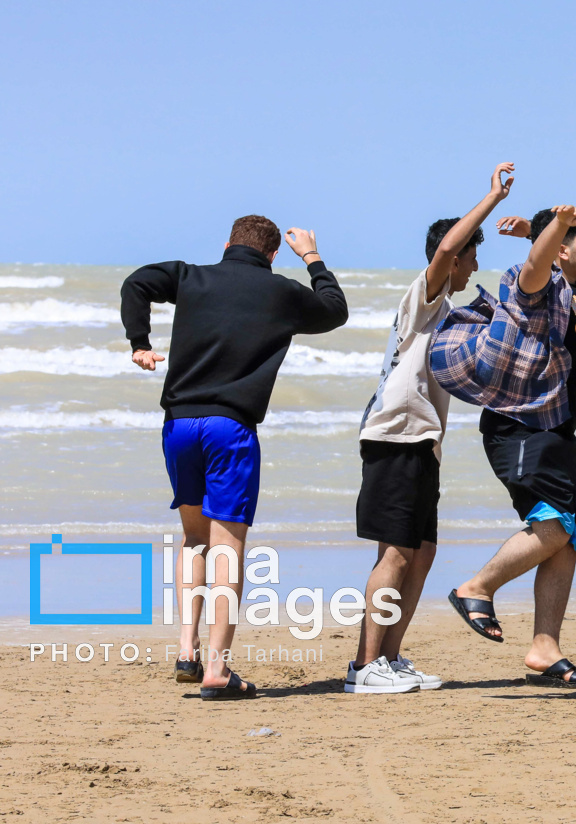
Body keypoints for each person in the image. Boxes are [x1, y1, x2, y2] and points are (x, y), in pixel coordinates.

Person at [120, 216, 348, 699]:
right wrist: (312, 256)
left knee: (193, 539)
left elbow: (136, 282)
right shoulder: (281, 292)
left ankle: (187, 649)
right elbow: (334, 309)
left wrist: (139, 342)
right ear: (272, 256)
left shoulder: (191, 276)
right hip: (230, 428)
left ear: (226, 245)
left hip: (179, 425)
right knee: (229, 545)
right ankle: (218, 670)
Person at [345, 163, 516, 694]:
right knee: (394, 552)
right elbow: (444, 252)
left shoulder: (451, 315)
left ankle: (388, 659)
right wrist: (489, 199)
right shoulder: (424, 299)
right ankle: (365, 667)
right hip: (393, 435)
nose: (473, 264)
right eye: (473, 254)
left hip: (422, 443)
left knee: (420, 552)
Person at [432, 205, 576, 687]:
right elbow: (538, 264)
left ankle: (544, 647)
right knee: (555, 524)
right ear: (561, 247)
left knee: (572, 534)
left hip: (557, 429)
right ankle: (477, 587)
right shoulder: (535, 285)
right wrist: (552, 227)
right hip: (519, 427)